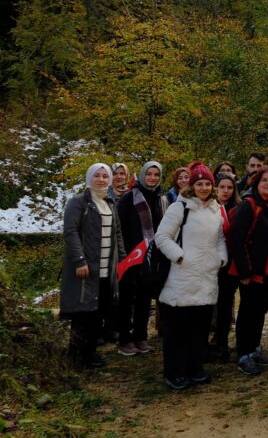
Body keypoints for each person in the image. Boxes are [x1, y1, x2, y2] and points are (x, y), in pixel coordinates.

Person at [154, 163, 227, 390]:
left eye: (207, 184)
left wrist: (221, 258)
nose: (204, 188)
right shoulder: (179, 208)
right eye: (199, 184)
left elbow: (220, 238)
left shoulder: (216, 209)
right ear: (191, 186)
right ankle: (174, 372)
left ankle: (195, 368)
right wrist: (180, 257)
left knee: (199, 329)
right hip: (181, 277)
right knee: (177, 330)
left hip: (207, 276)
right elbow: (162, 237)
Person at [60, 164, 126, 370]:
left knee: (98, 311)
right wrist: (79, 260)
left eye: (105, 176)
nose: (101, 179)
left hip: (106, 268)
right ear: (89, 178)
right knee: (82, 313)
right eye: (97, 175)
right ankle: (76, 357)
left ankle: (90, 354)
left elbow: (117, 234)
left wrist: (122, 259)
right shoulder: (78, 202)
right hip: (87, 268)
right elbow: (70, 232)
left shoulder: (110, 203)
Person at [230, 166, 268, 375]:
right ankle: (244, 355)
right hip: (252, 272)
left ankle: (254, 349)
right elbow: (237, 239)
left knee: (260, 311)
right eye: (263, 180)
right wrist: (244, 272)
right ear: (256, 184)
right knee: (248, 312)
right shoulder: (249, 205)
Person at [114, 161, 165, 357]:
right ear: (143, 175)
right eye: (149, 174)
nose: (152, 178)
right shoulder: (129, 198)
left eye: (156, 174)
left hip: (151, 257)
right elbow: (119, 228)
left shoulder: (160, 198)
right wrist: (124, 253)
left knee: (144, 298)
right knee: (127, 299)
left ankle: (140, 336)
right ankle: (124, 339)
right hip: (131, 255)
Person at [210, 172, 240, 362]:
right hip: (208, 263)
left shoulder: (238, 208)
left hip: (229, 264)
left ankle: (221, 342)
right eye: (222, 187)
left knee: (224, 304)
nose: (226, 191)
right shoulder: (208, 207)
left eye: (230, 187)